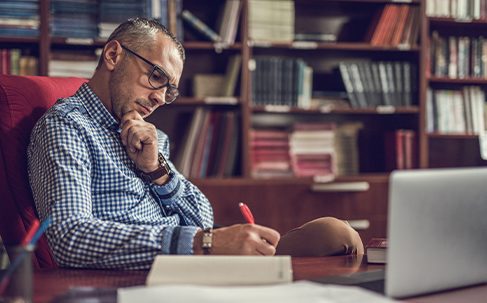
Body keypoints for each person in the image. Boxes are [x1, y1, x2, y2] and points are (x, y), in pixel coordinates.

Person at [27, 18, 363, 270]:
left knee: (336, 235)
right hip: (158, 272)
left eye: (169, 90)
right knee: (335, 242)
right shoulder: (68, 126)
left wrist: (157, 171)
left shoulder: (144, 135)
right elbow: (70, 239)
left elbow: (202, 215)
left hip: (197, 259)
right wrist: (203, 244)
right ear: (114, 55)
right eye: (156, 76)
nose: (159, 98)